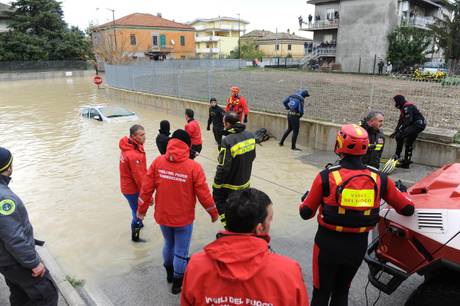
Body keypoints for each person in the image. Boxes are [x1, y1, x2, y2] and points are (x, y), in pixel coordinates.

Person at [298, 124, 415, 306]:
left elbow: (305, 213)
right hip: (357, 244)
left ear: (339, 145)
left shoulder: (326, 176)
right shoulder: (379, 178)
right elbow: (407, 208)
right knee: (342, 291)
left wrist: (305, 199)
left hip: (327, 243)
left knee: (321, 293)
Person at [181, 188, 310, 306]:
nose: (270, 223)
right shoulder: (288, 272)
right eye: (270, 219)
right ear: (260, 229)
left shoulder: (196, 265)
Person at [137, 129, 219, 294]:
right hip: (184, 218)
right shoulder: (194, 167)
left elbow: (145, 190)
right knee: (181, 250)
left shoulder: (157, 162)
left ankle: (169, 274)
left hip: (163, 216)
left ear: (171, 143)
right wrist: (213, 213)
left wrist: (141, 211)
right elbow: (204, 195)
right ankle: (177, 284)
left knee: (168, 243)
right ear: (188, 146)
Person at [0, 147, 58, 306]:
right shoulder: (5, 199)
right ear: (9, 167)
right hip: (14, 261)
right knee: (47, 295)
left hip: (5, 262)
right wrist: (34, 263)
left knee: (20, 293)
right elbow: (14, 238)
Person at [213, 112, 256, 227]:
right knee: (241, 208)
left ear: (227, 124)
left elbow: (224, 167)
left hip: (230, 187)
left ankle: (229, 227)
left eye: (224, 123)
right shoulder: (251, 136)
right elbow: (252, 157)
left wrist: (216, 184)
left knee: (219, 199)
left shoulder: (227, 140)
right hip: (245, 183)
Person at [119, 124, 147, 242]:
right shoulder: (133, 155)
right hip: (132, 189)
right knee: (138, 212)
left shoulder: (129, 146)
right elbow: (139, 177)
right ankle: (135, 237)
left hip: (127, 186)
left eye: (144, 134)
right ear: (133, 136)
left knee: (135, 209)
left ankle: (139, 223)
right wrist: (148, 195)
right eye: (141, 135)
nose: (144, 137)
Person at [390, 95, 426, 169]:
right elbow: (401, 121)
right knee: (409, 142)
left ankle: (397, 156)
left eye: (396, 102)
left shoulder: (407, 107)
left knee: (399, 137)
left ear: (399, 101)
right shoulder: (405, 107)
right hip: (418, 125)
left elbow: (408, 120)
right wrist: (396, 131)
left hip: (417, 125)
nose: (395, 104)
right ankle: (406, 162)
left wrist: (399, 131)